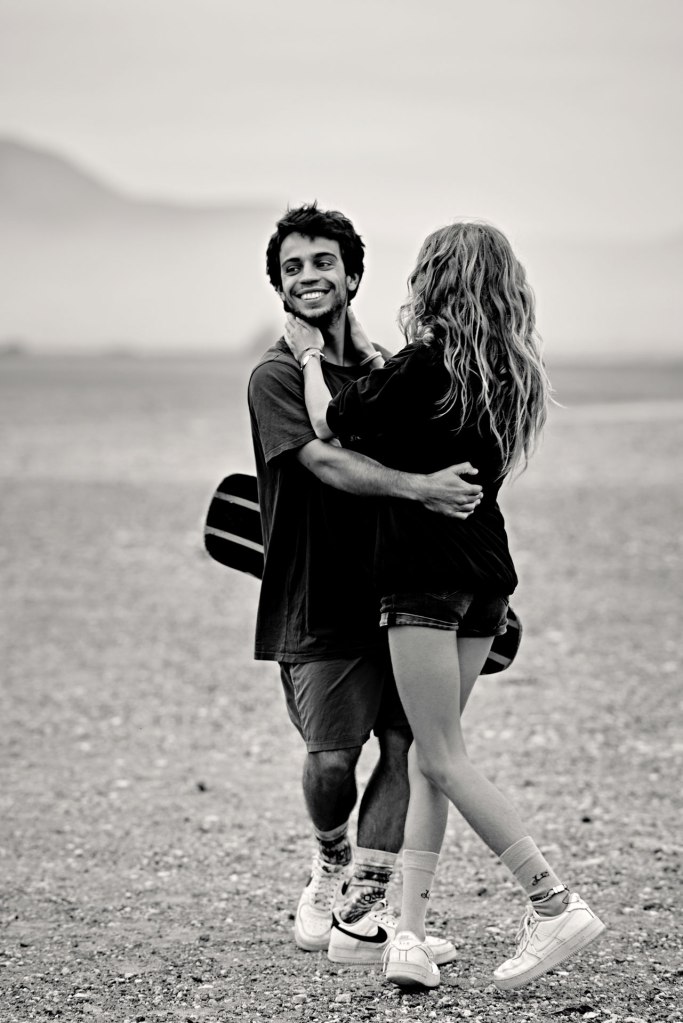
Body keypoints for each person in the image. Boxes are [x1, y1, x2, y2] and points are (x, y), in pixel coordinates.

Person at [283, 220, 605, 991]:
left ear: (436, 279)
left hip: (423, 582)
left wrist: (304, 353)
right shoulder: (507, 369)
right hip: (485, 579)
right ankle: (412, 937)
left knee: (441, 757)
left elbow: (329, 419)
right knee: (434, 760)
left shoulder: (424, 367)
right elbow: (388, 407)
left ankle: (551, 899)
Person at [247, 204, 483, 966]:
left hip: (404, 591)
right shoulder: (277, 374)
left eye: (322, 263)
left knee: (407, 742)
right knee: (329, 759)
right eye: (292, 268)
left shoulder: (389, 367)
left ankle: (365, 908)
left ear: (351, 274)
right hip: (315, 595)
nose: (308, 277)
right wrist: (422, 489)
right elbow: (325, 459)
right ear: (280, 287)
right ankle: (328, 861)